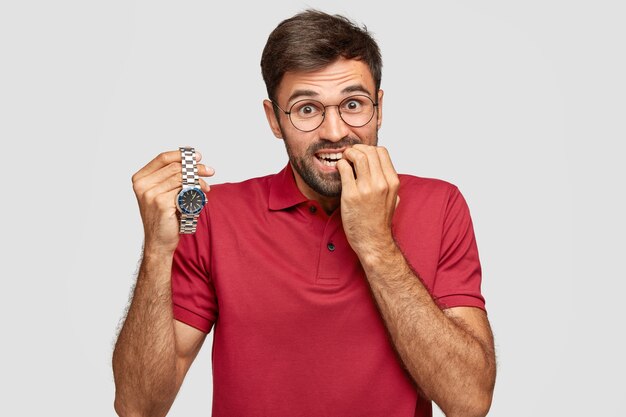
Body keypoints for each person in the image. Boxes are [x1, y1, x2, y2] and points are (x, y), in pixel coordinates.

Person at [112, 9, 496, 417]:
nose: (334, 131)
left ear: (379, 108)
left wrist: (376, 244)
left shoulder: (440, 204)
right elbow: (139, 407)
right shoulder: (214, 216)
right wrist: (156, 250)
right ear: (274, 119)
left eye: (353, 104)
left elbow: (469, 402)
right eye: (307, 109)